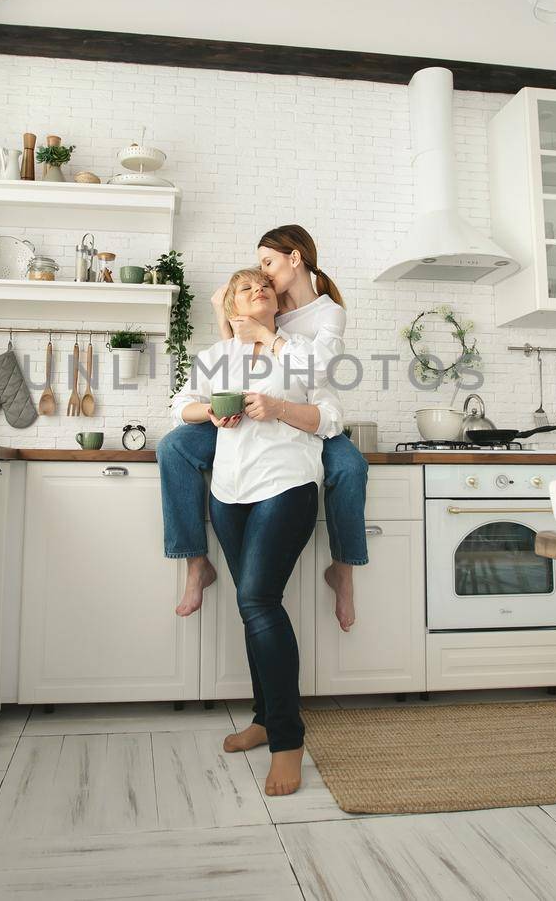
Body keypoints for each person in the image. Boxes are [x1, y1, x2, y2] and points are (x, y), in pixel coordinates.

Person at [171, 268, 341, 796]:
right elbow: (180, 405)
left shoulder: (302, 350)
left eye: (264, 286)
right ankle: (265, 718)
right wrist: (210, 413)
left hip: (285, 485)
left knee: (259, 599)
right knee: (252, 605)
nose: (259, 290)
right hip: (229, 492)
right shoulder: (216, 357)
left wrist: (278, 408)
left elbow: (331, 416)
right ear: (230, 306)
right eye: (246, 288)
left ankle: (287, 742)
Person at [159, 225, 370, 629]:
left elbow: (315, 372)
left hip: (302, 411)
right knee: (174, 448)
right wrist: (227, 317)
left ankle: (343, 569)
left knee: (349, 468)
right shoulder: (268, 301)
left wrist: (263, 333)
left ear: (296, 259)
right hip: (250, 409)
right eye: (258, 270)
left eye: (268, 264)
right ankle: (195, 561)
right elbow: (237, 356)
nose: (263, 277)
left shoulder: (326, 312)